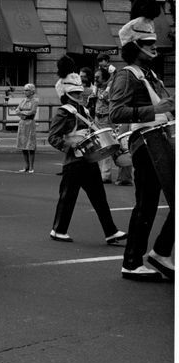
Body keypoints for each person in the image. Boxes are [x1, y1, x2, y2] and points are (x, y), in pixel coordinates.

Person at [109, 0, 175, 281]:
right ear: (134, 46)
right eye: (147, 43)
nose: (154, 47)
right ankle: (146, 257)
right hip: (146, 142)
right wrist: (155, 109)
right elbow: (116, 113)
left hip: (160, 139)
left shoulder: (149, 73)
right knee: (148, 203)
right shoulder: (127, 75)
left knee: (147, 203)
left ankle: (143, 258)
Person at [47, 72, 127, 246]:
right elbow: (53, 137)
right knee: (68, 198)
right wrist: (71, 144)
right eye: (75, 93)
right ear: (67, 94)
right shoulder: (63, 112)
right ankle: (58, 230)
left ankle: (110, 232)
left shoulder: (82, 110)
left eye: (79, 92)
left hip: (89, 159)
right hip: (73, 162)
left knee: (100, 197)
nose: (79, 95)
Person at [15, 83, 39, 173]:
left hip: (30, 123)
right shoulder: (23, 101)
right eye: (24, 90)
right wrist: (22, 113)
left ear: (32, 91)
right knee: (23, 145)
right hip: (22, 123)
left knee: (30, 145)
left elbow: (32, 112)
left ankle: (32, 167)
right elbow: (17, 110)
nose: (25, 92)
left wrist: (23, 113)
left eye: (27, 90)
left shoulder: (34, 101)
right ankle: (26, 166)